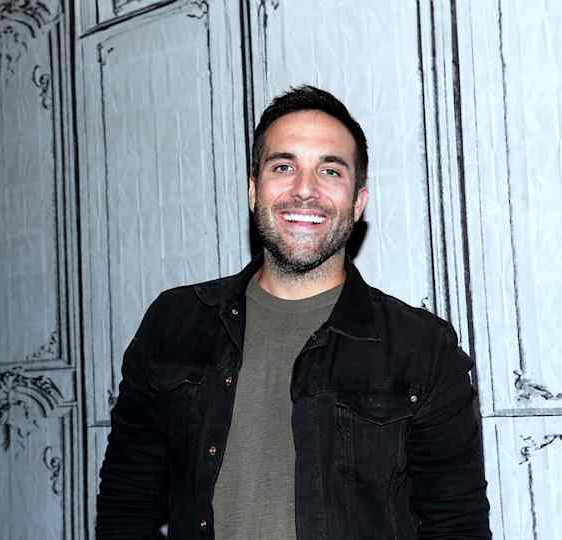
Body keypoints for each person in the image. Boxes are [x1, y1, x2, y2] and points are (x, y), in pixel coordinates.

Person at [96, 85, 491, 539]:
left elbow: (457, 526)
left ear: (358, 201)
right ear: (253, 190)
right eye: (283, 167)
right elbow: (126, 505)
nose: (305, 190)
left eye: (330, 170)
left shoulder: (422, 348)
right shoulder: (174, 323)